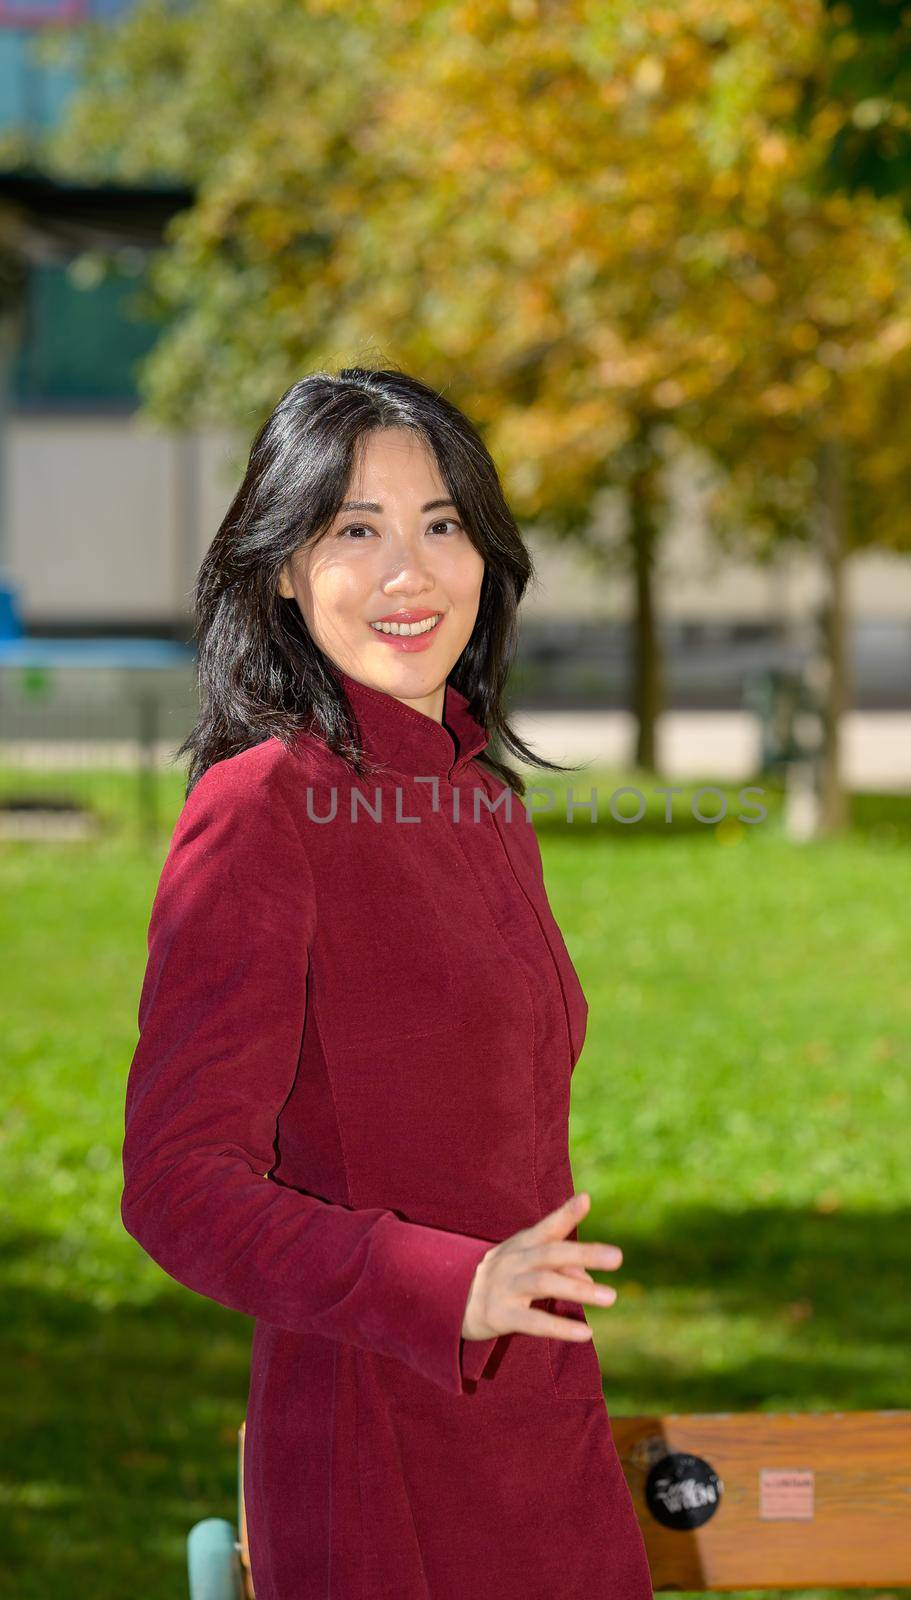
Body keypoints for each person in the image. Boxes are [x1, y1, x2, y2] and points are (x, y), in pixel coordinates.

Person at [121, 366, 655, 1599]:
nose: (409, 572)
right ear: (284, 571)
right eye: (355, 530)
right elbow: (178, 1186)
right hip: (378, 1451)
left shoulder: (476, 800)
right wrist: (447, 1285)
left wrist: (503, 1299)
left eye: (442, 523)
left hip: (542, 1427)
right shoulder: (261, 811)